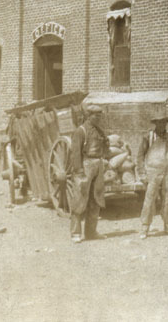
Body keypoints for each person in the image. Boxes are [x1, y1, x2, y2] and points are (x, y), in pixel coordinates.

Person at [67, 103, 109, 243]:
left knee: (96, 199)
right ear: (88, 116)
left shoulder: (99, 131)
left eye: (99, 116)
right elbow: (75, 153)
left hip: (98, 164)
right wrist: (79, 171)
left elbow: (105, 147)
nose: (98, 118)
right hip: (85, 165)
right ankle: (75, 233)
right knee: (79, 200)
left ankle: (91, 232)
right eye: (95, 116)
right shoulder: (80, 131)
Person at [136, 115, 168, 238]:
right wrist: (142, 173)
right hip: (152, 172)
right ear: (155, 124)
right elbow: (140, 156)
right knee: (149, 199)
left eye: (164, 122)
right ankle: (145, 228)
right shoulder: (148, 137)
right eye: (159, 123)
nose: (162, 125)